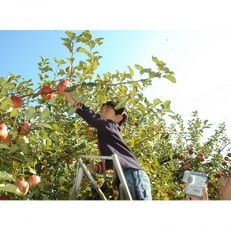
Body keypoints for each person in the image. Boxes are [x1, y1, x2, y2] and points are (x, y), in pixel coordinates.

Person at [60, 89, 152, 200]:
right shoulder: (108, 135)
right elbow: (111, 161)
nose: (102, 112)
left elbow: (92, 118)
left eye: (107, 110)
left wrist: (72, 99)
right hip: (125, 179)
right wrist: (98, 168)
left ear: (117, 118)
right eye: (101, 110)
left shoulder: (111, 125)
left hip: (133, 175)